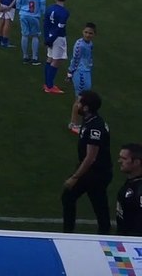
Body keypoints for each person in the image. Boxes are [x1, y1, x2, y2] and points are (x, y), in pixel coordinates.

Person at [63, 90, 112, 234]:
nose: (76, 105)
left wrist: (75, 177)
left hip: (96, 172)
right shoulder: (91, 120)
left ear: (86, 108)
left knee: (70, 196)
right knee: (98, 204)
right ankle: (104, 232)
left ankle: (68, 232)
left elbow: (91, 157)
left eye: (79, 102)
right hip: (96, 170)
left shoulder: (94, 127)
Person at [66, 23, 97, 133]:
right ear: (82, 32)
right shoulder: (80, 45)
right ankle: (73, 124)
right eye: (86, 32)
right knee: (79, 99)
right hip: (80, 73)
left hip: (86, 72)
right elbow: (75, 59)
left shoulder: (90, 44)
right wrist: (70, 73)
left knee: (84, 99)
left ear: (94, 34)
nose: (88, 35)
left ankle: (79, 123)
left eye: (90, 33)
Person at [43, 0, 70, 94]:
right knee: (57, 60)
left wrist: (47, 39)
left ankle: (47, 83)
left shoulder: (49, 8)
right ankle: (49, 86)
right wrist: (51, 39)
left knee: (50, 58)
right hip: (58, 38)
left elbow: (45, 24)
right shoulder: (64, 12)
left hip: (50, 36)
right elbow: (59, 28)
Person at [16, 0, 46, 65]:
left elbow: (18, 4)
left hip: (23, 15)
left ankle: (25, 56)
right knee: (35, 36)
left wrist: (21, 9)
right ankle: (34, 57)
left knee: (24, 35)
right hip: (34, 16)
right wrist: (42, 13)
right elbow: (42, 6)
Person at [118, 143, 142, 236]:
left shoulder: (139, 189)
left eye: (124, 159)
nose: (119, 161)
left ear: (136, 162)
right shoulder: (130, 183)